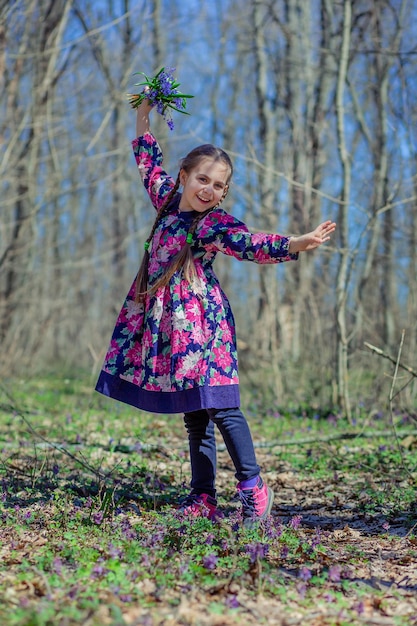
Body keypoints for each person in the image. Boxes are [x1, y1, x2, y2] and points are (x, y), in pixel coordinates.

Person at [95, 96, 336, 528]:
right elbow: (149, 165)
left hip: (203, 327)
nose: (208, 190)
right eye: (201, 179)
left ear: (224, 192)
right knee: (195, 412)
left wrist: (296, 243)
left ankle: (254, 489)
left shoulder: (213, 224)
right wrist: (143, 115)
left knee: (221, 405)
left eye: (218, 186)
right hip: (172, 327)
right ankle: (202, 496)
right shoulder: (168, 203)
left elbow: (249, 243)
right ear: (184, 177)